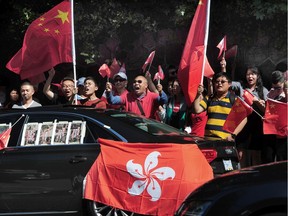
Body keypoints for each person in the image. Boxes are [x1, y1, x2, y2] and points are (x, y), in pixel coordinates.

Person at [192, 72, 246, 140]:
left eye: (223, 82)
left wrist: (233, 135)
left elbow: (244, 119)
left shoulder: (234, 99)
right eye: (217, 81)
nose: (219, 84)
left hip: (224, 141)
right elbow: (197, 110)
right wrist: (198, 94)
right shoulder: (209, 98)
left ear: (229, 84)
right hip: (207, 139)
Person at [232, 66, 269, 167]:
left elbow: (267, 110)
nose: (250, 76)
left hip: (257, 124)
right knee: (241, 154)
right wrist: (223, 68)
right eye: (248, 74)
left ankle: (255, 179)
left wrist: (258, 102)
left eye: (253, 74)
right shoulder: (241, 86)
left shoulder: (263, 90)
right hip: (242, 123)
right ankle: (242, 176)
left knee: (256, 155)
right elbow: (228, 83)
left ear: (257, 76)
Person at [262, 72, 287, 163]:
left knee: (282, 159)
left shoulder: (286, 93)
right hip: (271, 131)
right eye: (274, 87)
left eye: (278, 88)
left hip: (283, 133)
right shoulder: (270, 93)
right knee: (268, 158)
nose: (276, 90)